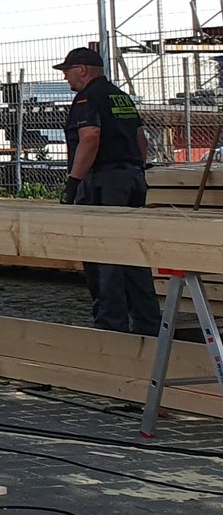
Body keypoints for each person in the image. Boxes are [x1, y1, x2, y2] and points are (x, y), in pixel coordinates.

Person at [57, 47, 160, 336]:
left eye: (68, 71)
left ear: (82, 70)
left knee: (103, 257)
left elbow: (90, 137)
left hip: (103, 183)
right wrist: (135, 170)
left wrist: (74, 182)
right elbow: (140, 138)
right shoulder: (120, 96)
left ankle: (110, 333)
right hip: (132, 180)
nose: (66, 78)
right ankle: (148, 327)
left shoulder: (88, 97)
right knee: (133, 255)